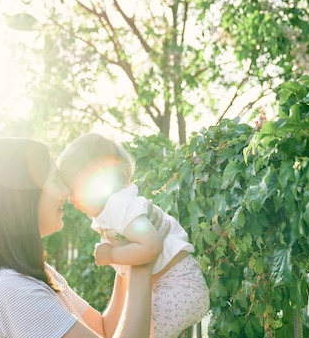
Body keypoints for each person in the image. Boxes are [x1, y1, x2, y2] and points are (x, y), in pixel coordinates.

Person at [0, 137, 169, 338]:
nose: (67, 191)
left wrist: (128, 255)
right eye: (56, 181)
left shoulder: (37, 275)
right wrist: (143, 261)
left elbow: (105, 330)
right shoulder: (13, 292)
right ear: (25, 198)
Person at [57, 133, 210, 338]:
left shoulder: (120, 205)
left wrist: (110, 255)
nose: (70, 200)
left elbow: (150, 247)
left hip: (179, 285)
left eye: (72, 188)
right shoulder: (113, 210)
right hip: (173, 288)